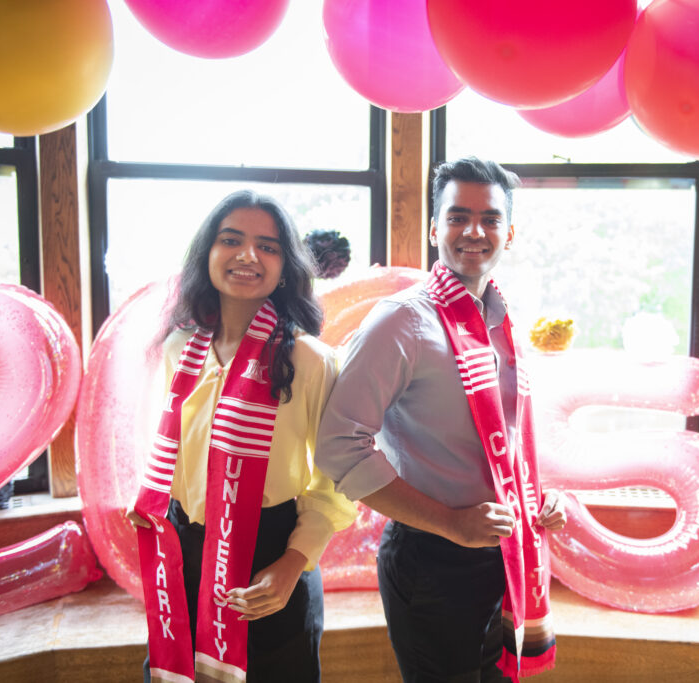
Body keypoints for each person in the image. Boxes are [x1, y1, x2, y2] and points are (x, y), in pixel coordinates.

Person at [316, 157, 567, 682]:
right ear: (434, 229)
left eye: (490, 219)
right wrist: (450, 522)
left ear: (510, 232)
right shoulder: (402, 321)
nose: (474, 231)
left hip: (506, 552)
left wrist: (534, 498)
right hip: (432, 559)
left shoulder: (503, 320)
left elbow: (507, 441)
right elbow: (340, 443)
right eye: (457, 217)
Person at [126, 190, 356, 683]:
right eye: (231, 240)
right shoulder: (179, 347)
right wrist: (153, 501)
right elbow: (171, 447)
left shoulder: (309, 360)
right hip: (183, 556)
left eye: (268, 246)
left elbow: (337, 474)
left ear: (286, 265)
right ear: (207, 252)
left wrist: (295, 562)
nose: (248, 255)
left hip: (270, 557)